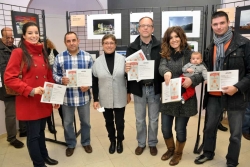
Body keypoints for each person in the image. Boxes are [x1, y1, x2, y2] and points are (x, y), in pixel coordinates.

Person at [194, 11, 250, 167]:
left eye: (222, 23)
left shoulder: (244, 44)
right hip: (214, 95)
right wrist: (204, 77)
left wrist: (237, 87)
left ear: (228, 23)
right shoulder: (210, 47)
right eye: (215, 24)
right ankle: (208, 153)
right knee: (209, 128)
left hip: (236, 96)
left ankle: (232, 162)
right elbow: (206, 68)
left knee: (235, 135)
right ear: (212, 26)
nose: (218, 27)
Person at [4, 22, 59, 167]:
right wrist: (31, 90)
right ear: (23, 35)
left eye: (36, 32)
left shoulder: (42, 51)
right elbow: (9, 78)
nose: (34, 36)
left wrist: (54, 97)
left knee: (41, 132)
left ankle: (44, 156)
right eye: (30, 33)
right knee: (33, 136)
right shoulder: (18, 53)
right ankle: (39, 163)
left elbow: (49, 77)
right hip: (28, 101)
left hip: (43, 100)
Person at [159, 26, 203, 166]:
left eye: (176, 36)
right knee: (165, 128)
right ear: (167, 40)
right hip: (169, 98)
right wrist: (166, 71)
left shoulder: (190, 54)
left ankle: (178, 153)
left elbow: (202, 71)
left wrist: (192, 80)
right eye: (171, 37)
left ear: (181, 37)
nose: (174, 40)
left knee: (180, 129)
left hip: (185, 99)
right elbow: (161, 66)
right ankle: (170, 149)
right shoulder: (165, 54)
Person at [125, 16, 163, 156]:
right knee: (140, 120)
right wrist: (126, 69)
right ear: (139, 28)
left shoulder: (160, 46)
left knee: (154, 119)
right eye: (142, 25)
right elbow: (127, 70)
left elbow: (163, 66)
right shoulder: (132, 47)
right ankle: (141, 143)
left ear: (152, 28)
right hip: (139, 89)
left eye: (148, 25)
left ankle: (152, 143)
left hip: (155, 88)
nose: (145, 28)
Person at [53, 31, 93, 157]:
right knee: (67, 123)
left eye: (74, 40)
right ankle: (70, 144)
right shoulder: (59, 57)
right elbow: (54, 74)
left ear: (78, 41)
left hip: (83, 97)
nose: (71, 43)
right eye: (68, 41)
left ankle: (86, 142)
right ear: (65, 43)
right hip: (67, 98)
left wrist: (89, 85)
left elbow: (93, 75)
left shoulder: (87, 57)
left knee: (85, 122)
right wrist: (61, 80)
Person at [92, 34, 129, 154]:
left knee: (119, 121)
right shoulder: (97, 62)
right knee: (108, 121)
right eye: (106, 43)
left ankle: (120, 140)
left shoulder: (123, 60)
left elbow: (129, 78)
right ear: (102, 45)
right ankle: (112, 140)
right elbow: (94, 81)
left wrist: (128, 93)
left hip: (120, 95)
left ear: (115, 45)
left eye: (111, 43)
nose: (109, 45)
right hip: (103, 98)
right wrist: (95, 99)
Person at [0, 27, 26, 149]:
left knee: (22, 109)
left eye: (12, 37)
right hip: (6, 87)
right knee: (10, 114)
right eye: (7, 37)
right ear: (1, 37)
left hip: (19, 84)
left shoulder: (17, 49)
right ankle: (12, 138)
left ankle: (23, 130)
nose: (10, 40)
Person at [45, 38, 63, 134]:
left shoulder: (53, 51)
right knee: (47, 104)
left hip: (55, 80)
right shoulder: (38, 54)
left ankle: (64, 121)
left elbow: (60, 65)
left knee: (58, 102)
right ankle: (50, 124)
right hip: (45, 81)